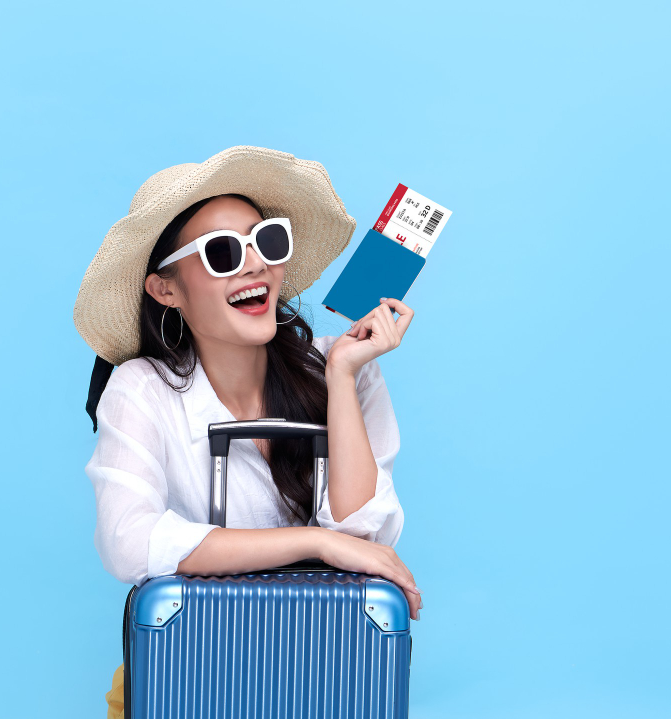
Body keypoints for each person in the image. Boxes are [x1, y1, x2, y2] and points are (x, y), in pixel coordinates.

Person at [72, 146, 423, 718]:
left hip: (321, 677)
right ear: (166, 289)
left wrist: (339, 377)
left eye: (268, 242)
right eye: (222, 253)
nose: (255, 264)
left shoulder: (345, 367)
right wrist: (314, 543)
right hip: (181, 680)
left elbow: (364, 538)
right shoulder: (142, 389)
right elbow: (128, 541)